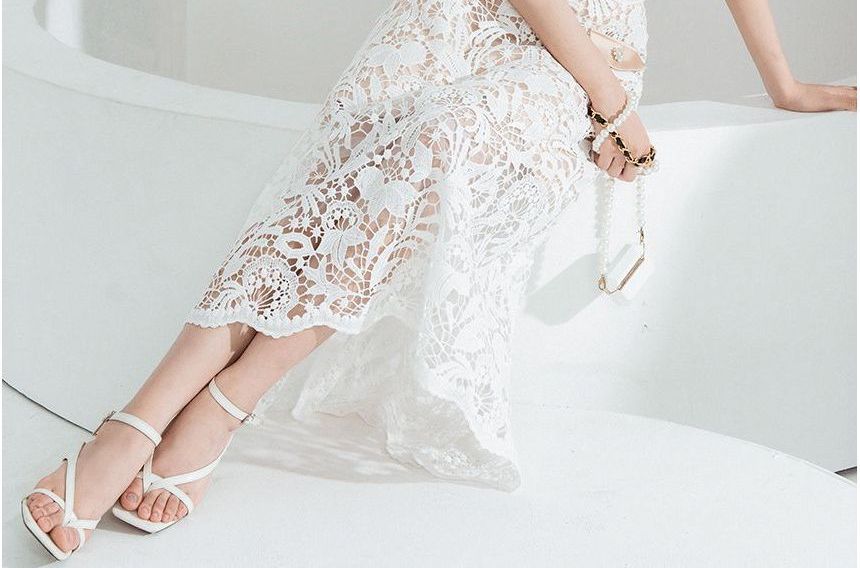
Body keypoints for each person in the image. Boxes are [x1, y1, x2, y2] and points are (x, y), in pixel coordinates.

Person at [21, 0, 856, 559]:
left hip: (578, 63)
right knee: (337, 172)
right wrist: (613, 107)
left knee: (434, 143)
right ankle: (139, 423)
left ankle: (216, 403)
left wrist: (779, 83)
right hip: (457, 19)